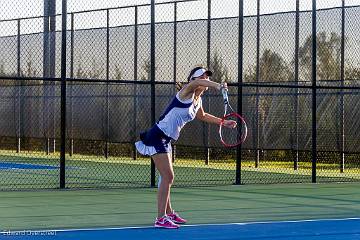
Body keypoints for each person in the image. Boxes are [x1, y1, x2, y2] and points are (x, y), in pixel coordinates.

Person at [135, 66, 236, 229]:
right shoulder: (186, 92)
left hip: (166, 139)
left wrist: (223, 122)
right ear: (194, 80)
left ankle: (168, 213)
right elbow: (197, 83)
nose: (207, 79)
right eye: (203, 77)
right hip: (157, 135)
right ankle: (160, 218)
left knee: (165, 177)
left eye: (208, 77)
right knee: (168, 177)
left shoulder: (198, 100)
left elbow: (202, 116)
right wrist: (218, 85)